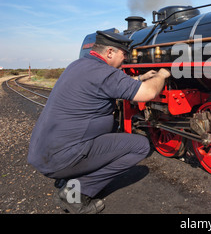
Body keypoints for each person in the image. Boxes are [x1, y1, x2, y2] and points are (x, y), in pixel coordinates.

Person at [27, 30, 171, 214]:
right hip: (62, 158)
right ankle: (76, 193)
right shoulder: (104, 73)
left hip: (44, 153)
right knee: (141, 146)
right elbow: (149, 93)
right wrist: (161, 75)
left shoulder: (78, 65)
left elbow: (112, 85)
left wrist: (141, 78)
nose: (125, 59)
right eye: (123, 54)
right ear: (109, 52)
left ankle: (69, 176)